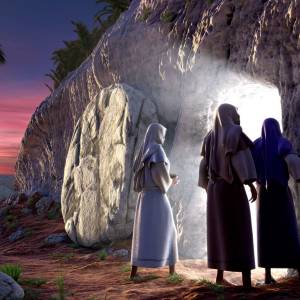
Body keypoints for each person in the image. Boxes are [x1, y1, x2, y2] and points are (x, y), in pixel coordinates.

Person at [198, 103, 257, 288]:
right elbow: (240, 160)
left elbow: (203, 166)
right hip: (231, 187)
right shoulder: (234, 132)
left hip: (215, 191)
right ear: (229, 114)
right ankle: (246, 281)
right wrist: (250, 183)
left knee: (220, 231)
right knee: (240, 229)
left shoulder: (209, 137)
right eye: (235, 111)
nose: (237, 115)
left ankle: (219, 277)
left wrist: (207, 186)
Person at [251, 118, 300, 284]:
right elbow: (294, 165)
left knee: (266, 234)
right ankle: (297, 267)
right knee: (287, 228)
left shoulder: (255, 145)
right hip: (279, 192)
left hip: (262, 195)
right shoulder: (282, 143)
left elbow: (248, 167)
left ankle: (267, 276)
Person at [130, 123, 179, 279]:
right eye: (162, 134)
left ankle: (134, 272)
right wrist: (171, 181)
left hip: (144, 199)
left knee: (143, 234)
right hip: (157, 197)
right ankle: (172, 271)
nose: (163, 138)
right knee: (169, 230)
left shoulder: (144, 150)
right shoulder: (157, 150)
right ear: (157, 134)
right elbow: (161, 178)